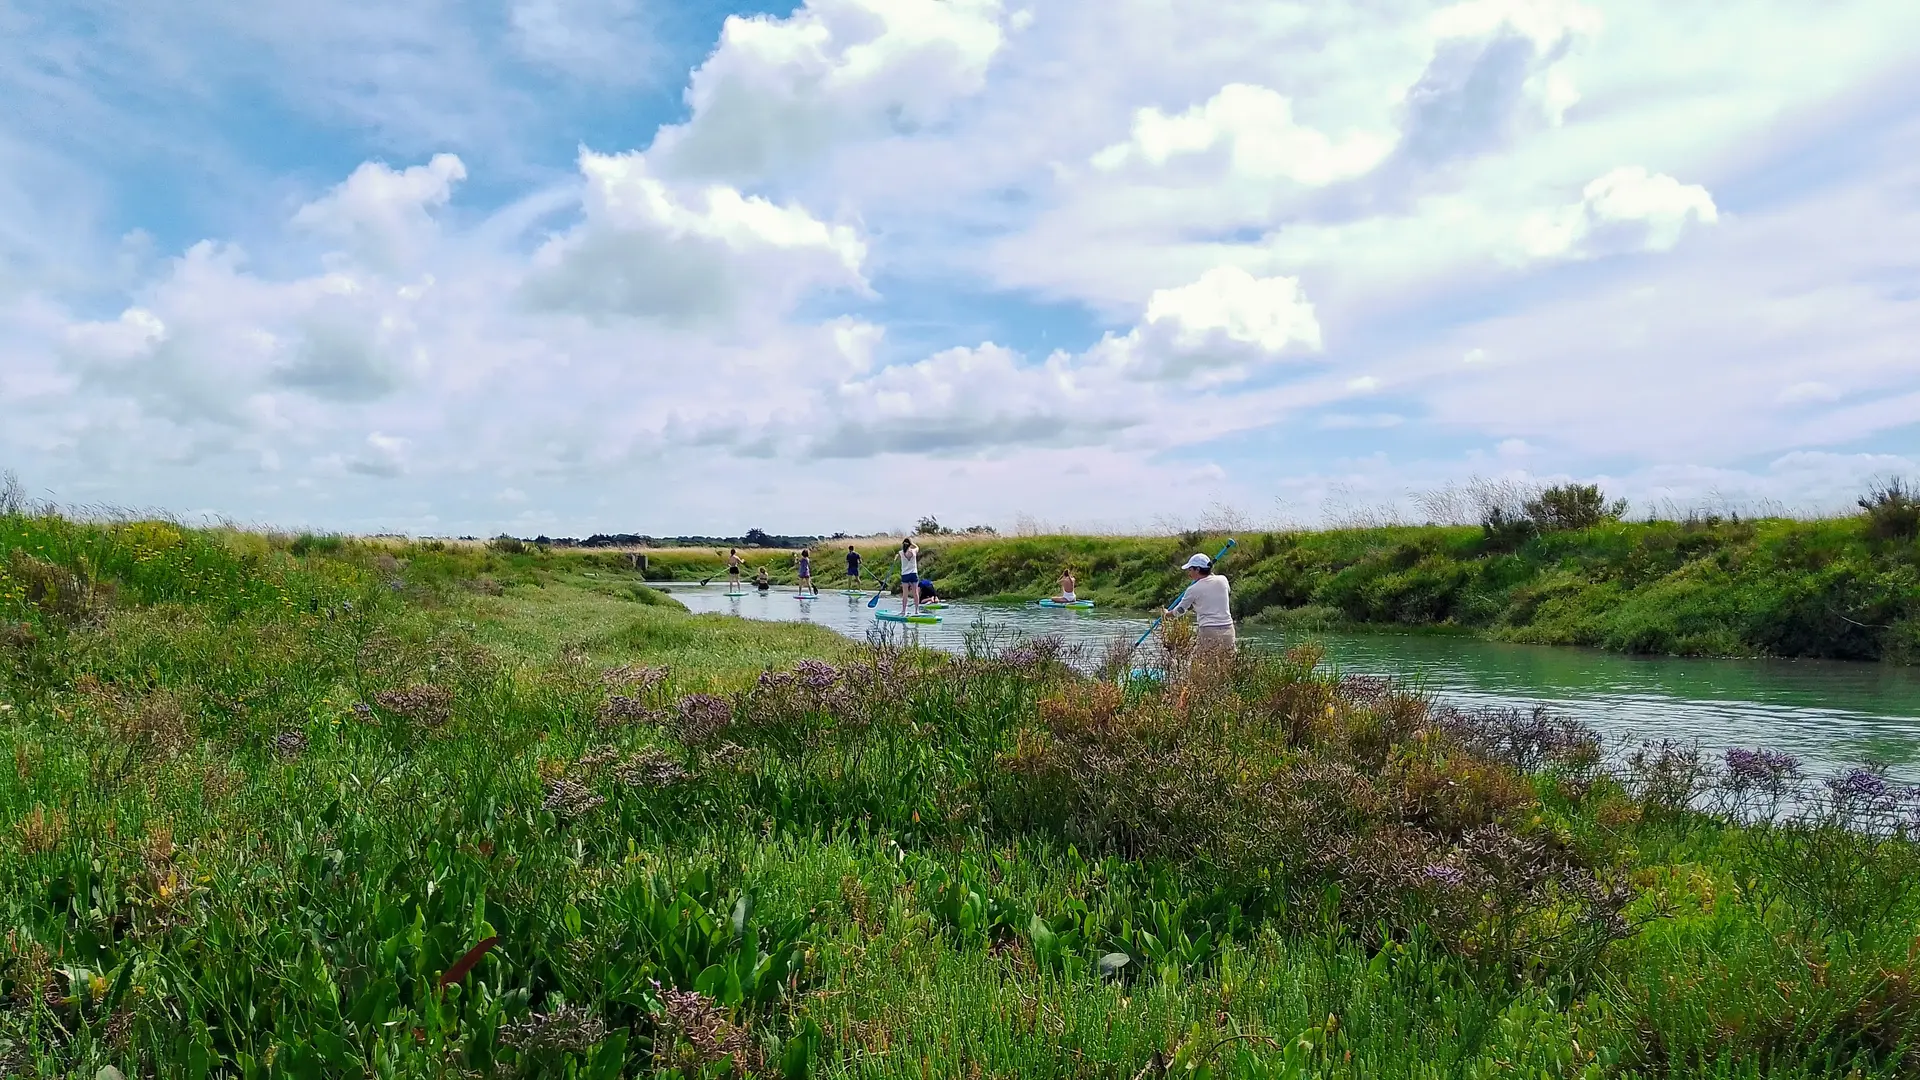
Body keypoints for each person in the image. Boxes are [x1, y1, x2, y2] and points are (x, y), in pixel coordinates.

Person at [1164, 552, 1234, 659]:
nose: (1189, 573)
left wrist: (1167, 614)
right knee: (1228, 664)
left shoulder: (1193, 589)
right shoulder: (1223, 580)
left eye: (1190, 570)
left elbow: (1180, 611)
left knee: (1201, 666)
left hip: (1209, 631)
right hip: (1228, 631)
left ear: (1197, 569)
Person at [897, 538, 920, 614]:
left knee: (905, 593)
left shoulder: (901, 553)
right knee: (915, 593)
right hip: (913, 573)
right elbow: (917, 547)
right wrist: (912, 543)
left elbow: (898, 555)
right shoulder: (913, 551)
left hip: (905, 574)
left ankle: (903, 611)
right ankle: (916, 611)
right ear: (910, 545)